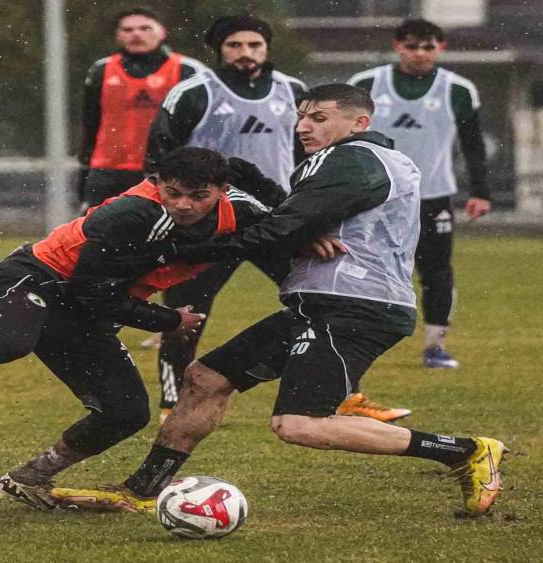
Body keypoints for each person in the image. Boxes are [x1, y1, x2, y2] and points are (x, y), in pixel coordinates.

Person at [50, 84, 507, 517]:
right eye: (302, 117)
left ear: (359, 122)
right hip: (320, 304)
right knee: (205, 379)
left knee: (300, 424)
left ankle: (465, 451)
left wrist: (178, 251)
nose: (304, 127)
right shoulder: (344, 162)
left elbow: (281, 227)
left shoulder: (357, 159)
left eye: (319, 118)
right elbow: (291, 214)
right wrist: (257, 187)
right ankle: (142, 491)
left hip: (356, 306)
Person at [0, 147, 291, 510]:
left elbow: (285, 219)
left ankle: (30, 478)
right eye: (173, 193)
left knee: (126, 412)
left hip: (84, 311)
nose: (184, 205)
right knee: (9, 341)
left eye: (198, 196)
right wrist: (169, 320)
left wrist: (316, 238)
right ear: (156, 184)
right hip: (36, 279)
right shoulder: (128, 215)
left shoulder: (240, 210)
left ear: (221, 190)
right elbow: (91, 291)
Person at [143, 15, 407, 423]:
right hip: (213, 221)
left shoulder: (294, 93)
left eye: (254, 45)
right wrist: (179, 211)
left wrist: (307, 221)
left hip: (277, 217)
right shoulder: (194, 92)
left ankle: (345, 395)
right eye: (235, 45)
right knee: (186, 315)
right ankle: (172, 403)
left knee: (319, 304)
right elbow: (159, 160)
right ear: (219, 49)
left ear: (266, 48)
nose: (245, 53)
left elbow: (316, 164)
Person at [348, 18, 490, 369]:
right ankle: (355, 343)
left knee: (436, 272)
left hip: (432, 196)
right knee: (365, 271)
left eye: (428, 47)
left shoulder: (457, 89)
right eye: (412, 46)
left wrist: (480, 191)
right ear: (398, 46)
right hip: (378, 198)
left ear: (441, 48)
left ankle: (435, 347)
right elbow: (343, 138)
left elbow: (473, 145)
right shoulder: (366, 84)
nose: (420, 53)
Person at [78, 7, 206, 207]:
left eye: (145, 28)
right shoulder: (101, 70)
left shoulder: (187, 70)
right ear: (118, 35)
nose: (136, 34)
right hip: (109, 170)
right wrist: (85, 168)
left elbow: (204, 126)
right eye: (127, 30)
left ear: (162, 32)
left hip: (167, 172)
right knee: (98, 226)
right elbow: (90, 122)